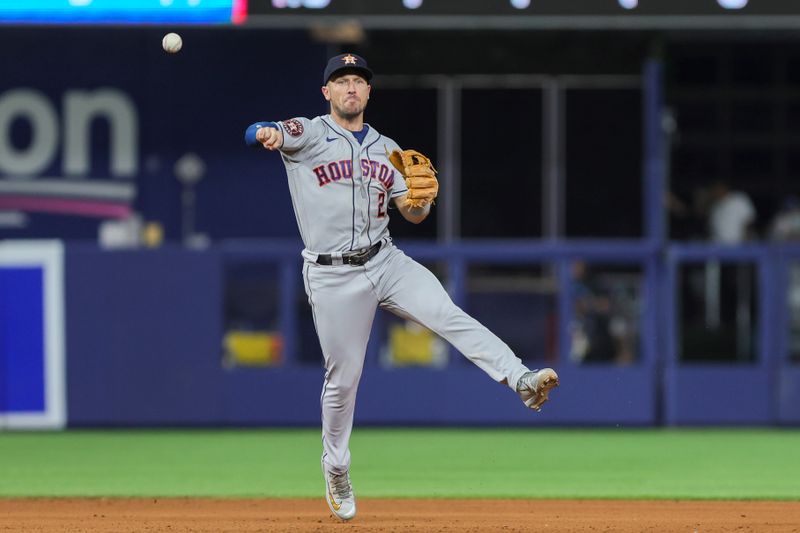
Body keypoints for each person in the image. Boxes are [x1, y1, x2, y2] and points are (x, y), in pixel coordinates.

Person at [244, 53, 559, 521]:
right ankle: (336, 466)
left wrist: (420, 203)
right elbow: (258, 131)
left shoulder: (387, 149)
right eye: (342, 81)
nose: (351, 87)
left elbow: (412, 213)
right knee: (343, 381)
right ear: (327, 92)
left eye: (358, 81)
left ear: (369, 92)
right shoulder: (309, 134)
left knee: (447, 313)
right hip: (332, 275)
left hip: (386, 259)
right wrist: (266, 133)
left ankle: (521, 379)